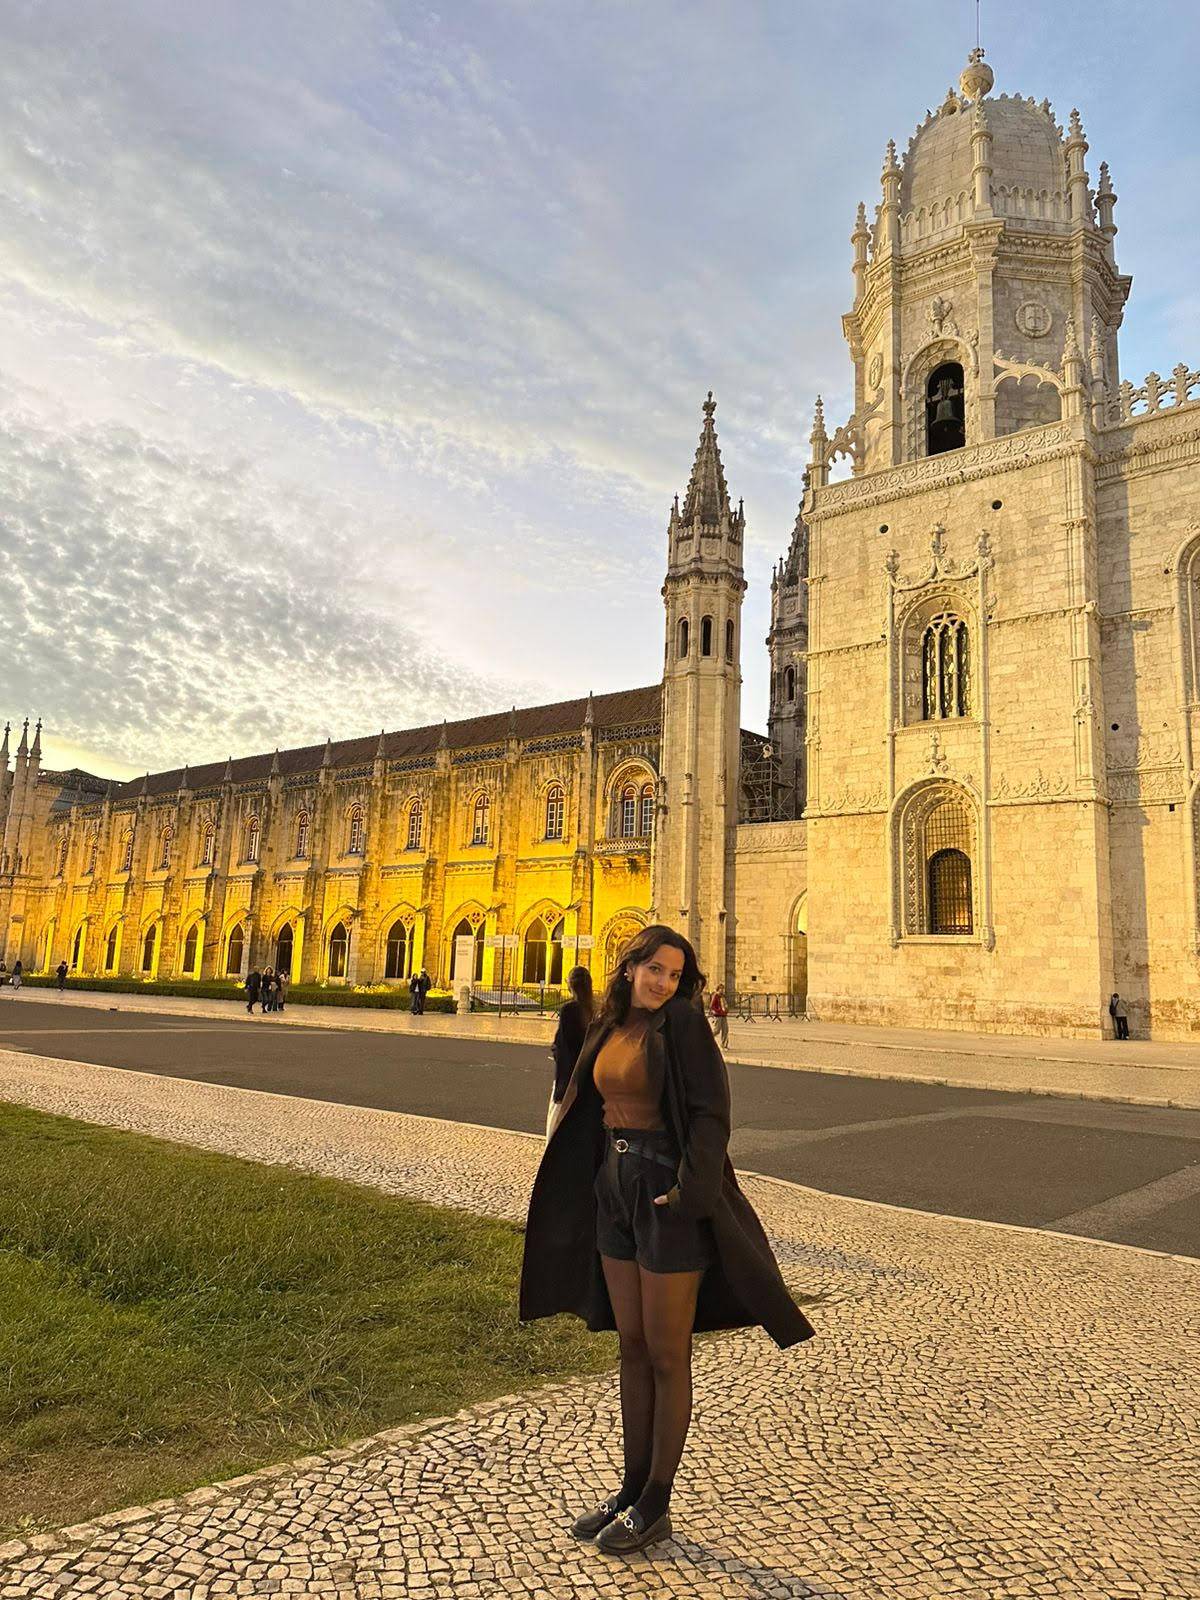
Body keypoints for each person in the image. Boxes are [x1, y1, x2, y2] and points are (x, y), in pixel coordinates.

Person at [520, 924, 814, 1556]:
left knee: (665, 1350)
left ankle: (656, 1501)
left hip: (664, 1191)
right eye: (655, 969)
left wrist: (689, 1194)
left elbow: (711, 1114)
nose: (664, 982)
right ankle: (629, 1488)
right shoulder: (609, 1024)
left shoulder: (681, 1026)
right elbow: (581, 1101)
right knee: (630, 1345)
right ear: (630, 968)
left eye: (675, 974)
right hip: (616, 1190)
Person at [547, 966, 594, 1141]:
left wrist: (560, 1089)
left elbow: (564, 1048)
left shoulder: (570, 1010)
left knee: (556, 1126)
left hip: (568, 1079)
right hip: (587, 1079)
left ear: (570, 985)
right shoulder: (594, 1010)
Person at [709, 984, 729, 1048]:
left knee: (725, 1030)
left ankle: (724, 1045)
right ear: (718, 989)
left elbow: (725, 1005)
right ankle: (707, 1039)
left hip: (723, 1015)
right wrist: (718, 1010)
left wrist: (726, 1009)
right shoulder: (715, 996)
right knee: (717, 1030)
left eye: (723, 988)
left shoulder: (722, 996)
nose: (722, 990)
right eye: (721, 989)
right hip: (718, 1015)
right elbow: (712, 1006)